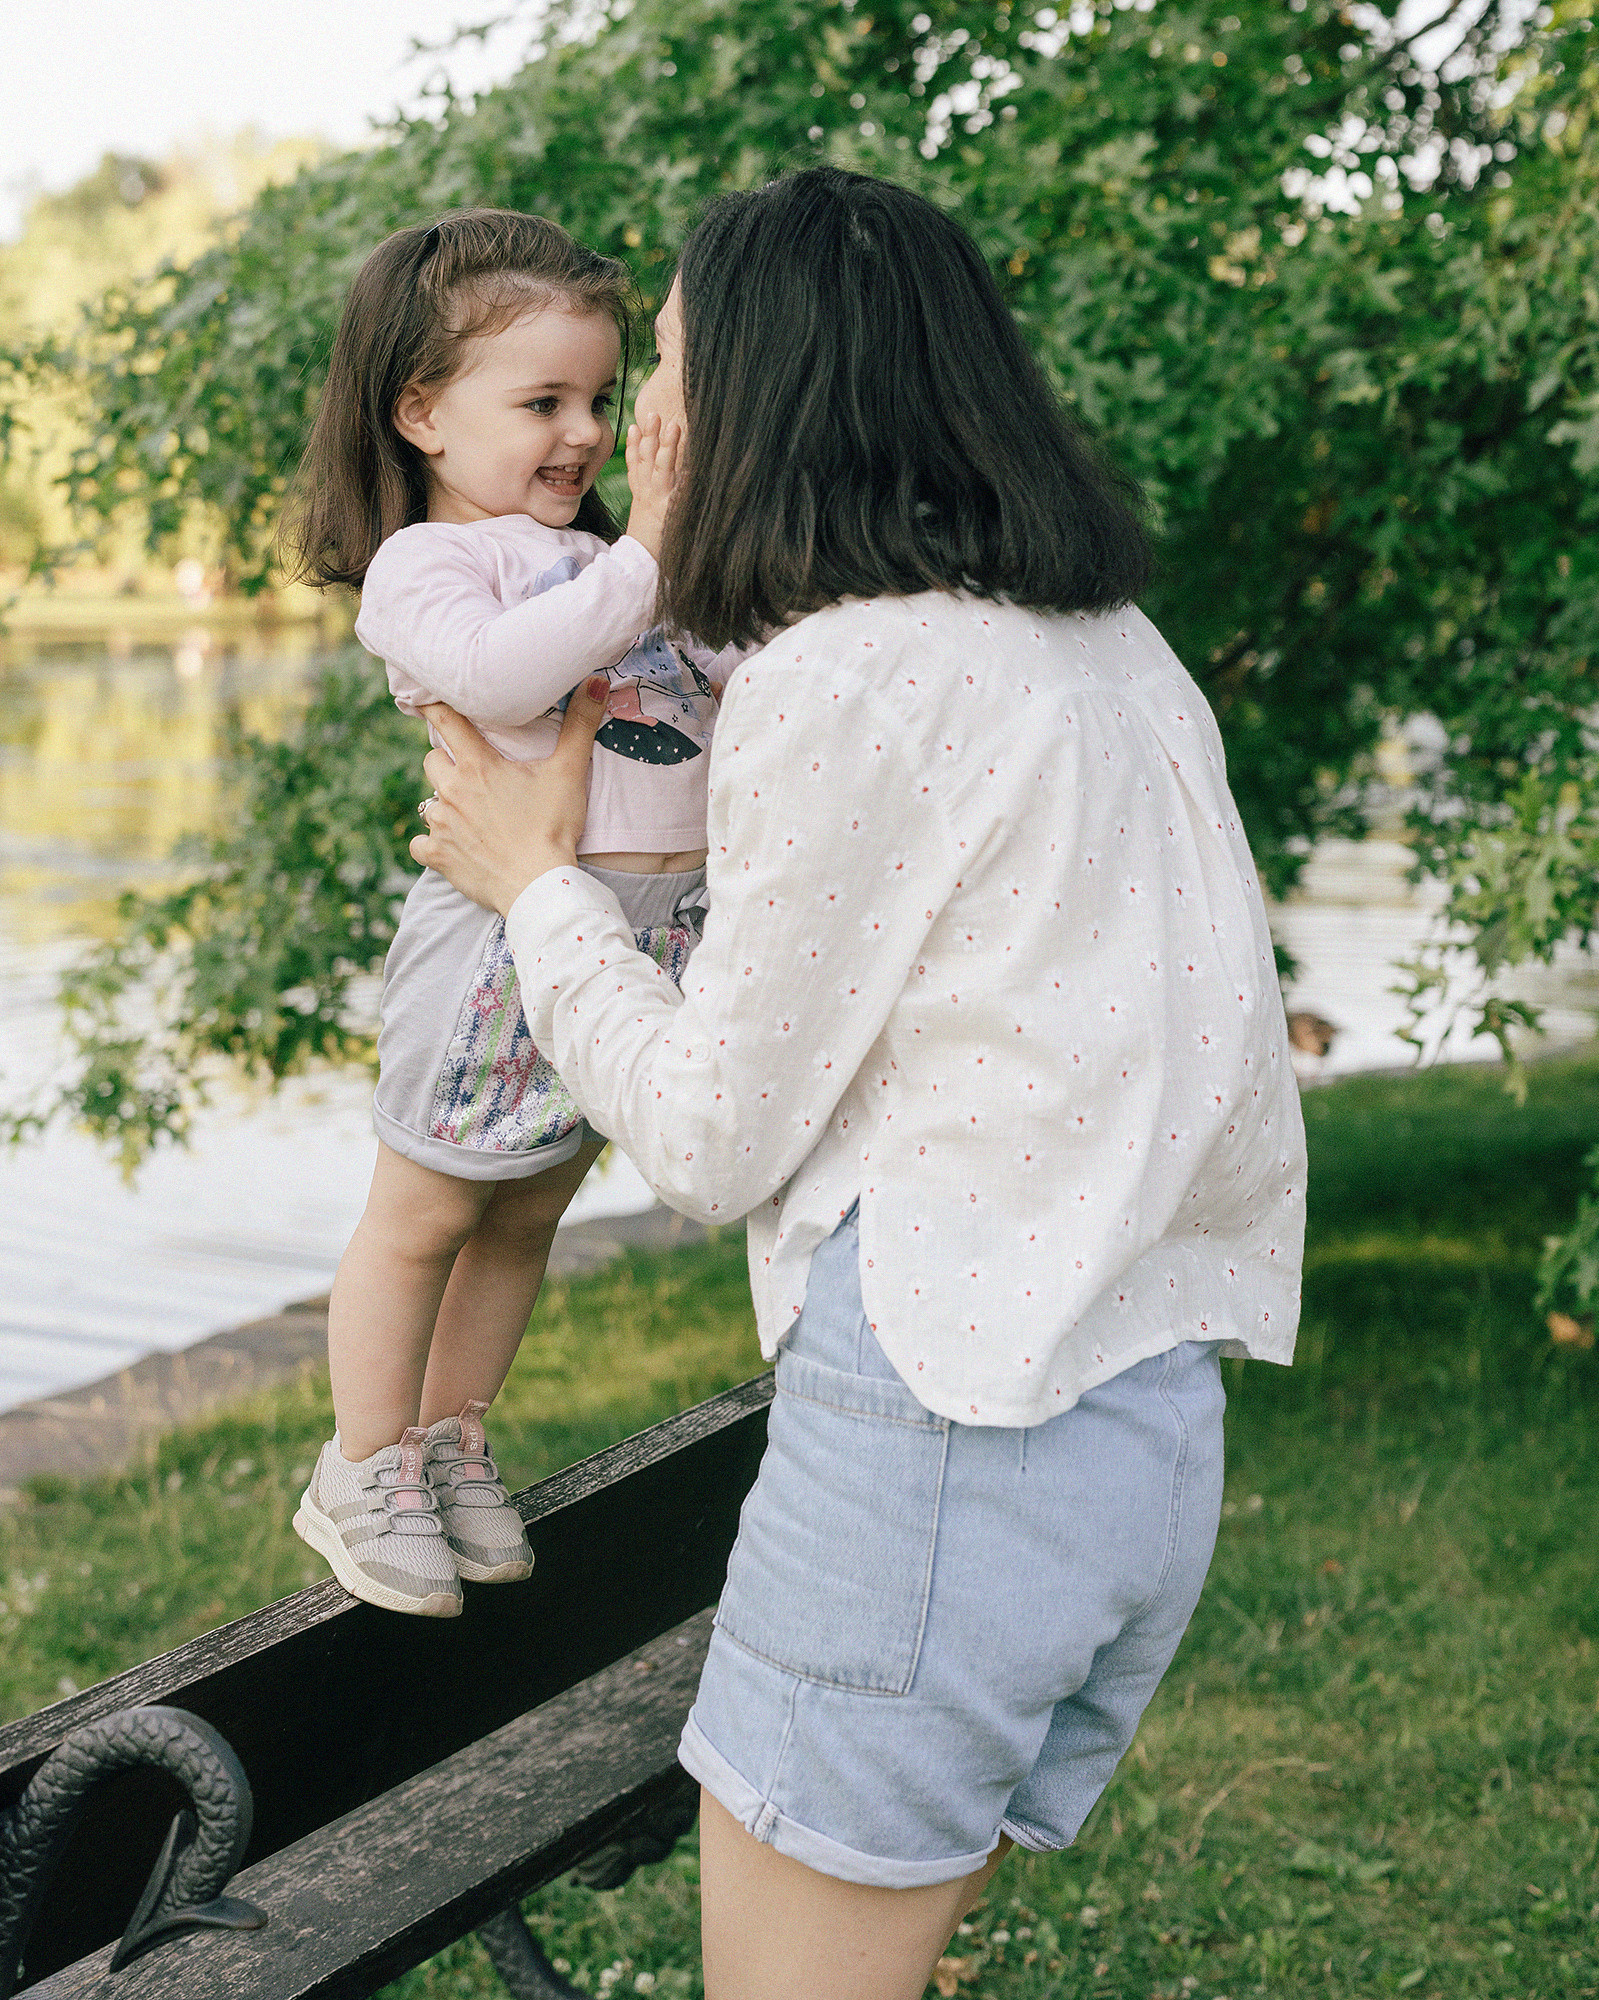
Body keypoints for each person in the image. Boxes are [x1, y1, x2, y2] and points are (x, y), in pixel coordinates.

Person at [412, 167, 1307, 1999]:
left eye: (664, 364)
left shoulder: (848, 676)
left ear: (761, 390)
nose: (643, 417)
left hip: (949, 1449)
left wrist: (538, 889)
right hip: (1144, 1433)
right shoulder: (1105, 650)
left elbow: (708, 1138)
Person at [282, 209, 735, 1618]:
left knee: (529, 1209)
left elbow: (707, 668)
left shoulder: (602, 554)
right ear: (420, 412)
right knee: (427, 1208)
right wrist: (651, 540)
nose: (587, 431)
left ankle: (449, 1437)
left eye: (600, 399)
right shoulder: (434, 569)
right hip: (497, 933)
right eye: (542, 401)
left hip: (633, 934)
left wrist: (684, 560)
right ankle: (360, 1466)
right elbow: (503, 680)